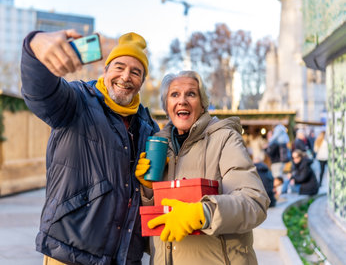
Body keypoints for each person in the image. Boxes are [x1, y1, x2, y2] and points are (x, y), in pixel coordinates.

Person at [20, 29, 159, 264]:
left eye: (136, 72)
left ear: (142, 82)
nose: (126, 76)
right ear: (105, 71)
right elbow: (39, 93)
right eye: (119, 67)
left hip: (125, 257)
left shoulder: (149, 127)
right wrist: (34, 48)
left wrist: (148, 188)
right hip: (71, 251)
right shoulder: (77, 101)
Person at [135, 71, 269, 264]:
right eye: (174, 95)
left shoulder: (225, 139)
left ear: (203, 103)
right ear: (166, 106)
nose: (182, 101)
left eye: (191, 94)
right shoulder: (160, 146)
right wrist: (148, 190)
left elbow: (255, 203)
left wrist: (202, 213)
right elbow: (154, 225)